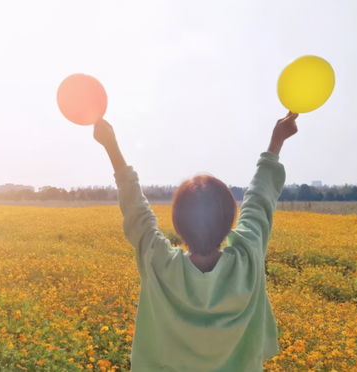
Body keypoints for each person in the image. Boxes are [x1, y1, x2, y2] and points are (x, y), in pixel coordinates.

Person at [93, 112, 299, 371]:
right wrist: (275, 144)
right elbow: (259, 201)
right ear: (228, 220)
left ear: (179, 223)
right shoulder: (247, 260)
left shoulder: (160, 264)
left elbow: (137, 211)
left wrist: (111, 147)